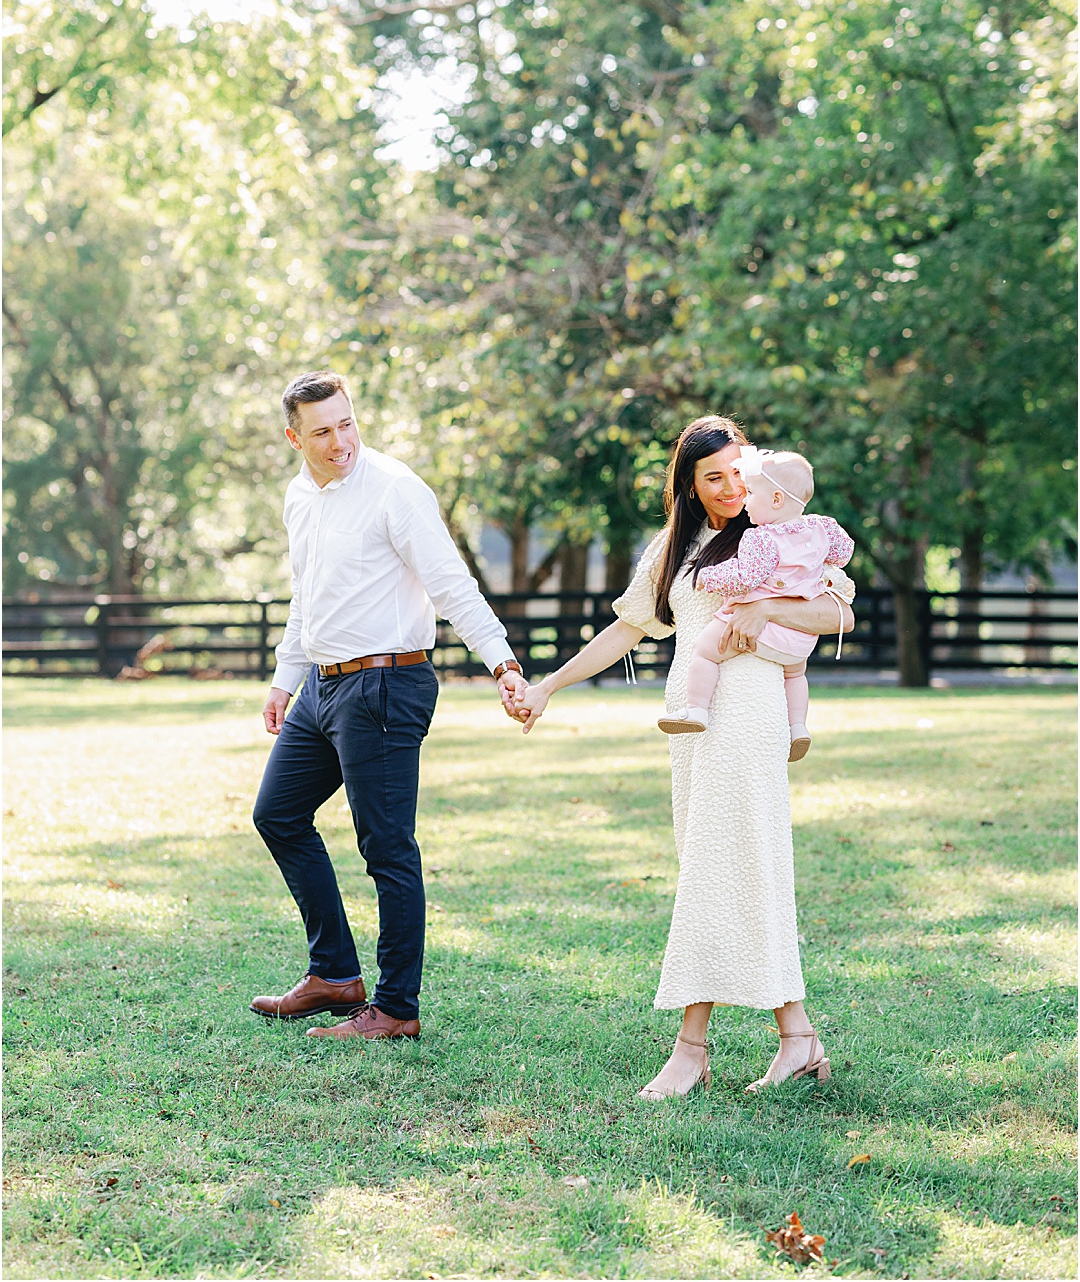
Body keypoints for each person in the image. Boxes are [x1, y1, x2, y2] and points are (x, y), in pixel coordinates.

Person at [511, 415, 855, 1097]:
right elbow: (627, 629)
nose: (731, 487)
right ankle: (798, 1036)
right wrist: (548, 684)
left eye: (737, 472)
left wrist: (771, 613)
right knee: (728, 866)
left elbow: (840, 610)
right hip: (690, 714)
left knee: (715, 866)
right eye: (714, 477)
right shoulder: (677, 544)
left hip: (749, 708)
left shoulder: (774, 526)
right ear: (691, 484)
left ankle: (691, 1050)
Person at [250, 371, 524, 1041]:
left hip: (385, 684)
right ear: (295, 438)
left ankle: (397, 1008)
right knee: (277, 813)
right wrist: (287, 679)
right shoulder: (299, 498)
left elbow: (452, 585)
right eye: (322, 430)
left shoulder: (395, 490)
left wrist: (503, 662)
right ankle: (335, 974)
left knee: (386, 848)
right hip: (323, 683)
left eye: (346, 422)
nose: (340, 439)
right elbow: (305, 599)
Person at [657, 445, 854, 762]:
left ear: (776, 500)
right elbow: (843, 554)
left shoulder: (761, 538)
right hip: (798, 640)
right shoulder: (822, 528)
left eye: (750, 493)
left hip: (757, 632)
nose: (743, 499)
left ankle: (696, 710)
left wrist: (710, 576)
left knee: (705, 653)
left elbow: (745, 577)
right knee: (795, 676)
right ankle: (799, 728)